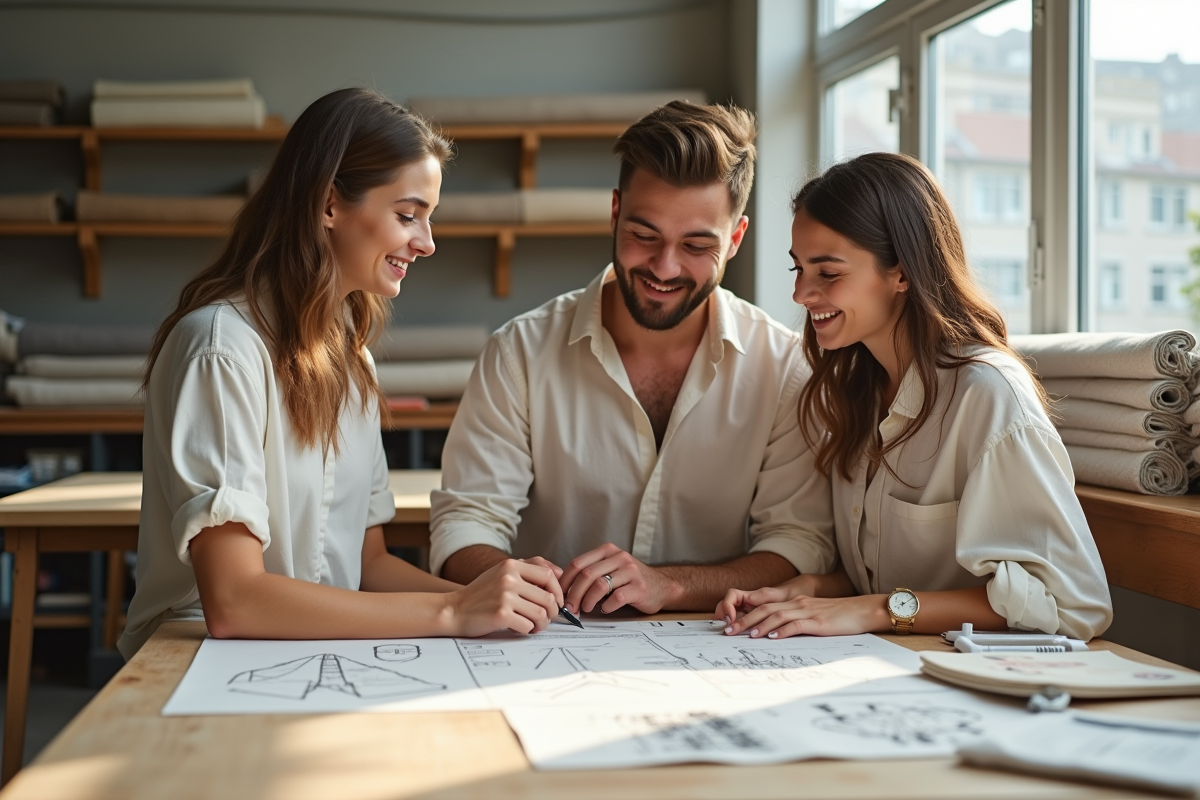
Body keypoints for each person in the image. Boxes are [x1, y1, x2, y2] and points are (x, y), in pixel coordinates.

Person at [118, 89, 564, 658]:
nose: (426, 243)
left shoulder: (353, 365)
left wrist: (495, 597)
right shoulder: (221, 349)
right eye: (408, 215)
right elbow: (233, 601)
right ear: (329, 204)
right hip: (195, 658)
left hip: (317, 648)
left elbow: (368, 565)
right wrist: (453, 609)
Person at [430, 101, 836, 616]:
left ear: (734, 240)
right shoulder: (519, 354)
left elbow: (797, 543)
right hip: (548, 638)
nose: (664, 267)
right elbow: (465, 523)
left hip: (718, 651)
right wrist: (538, 590)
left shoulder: (785, 369)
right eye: (644, 236)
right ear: (615, 211)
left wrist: (672, 586)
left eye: (695, 245)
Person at [717, 152, 1112, 641]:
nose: (801, 294)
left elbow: (1074, 605)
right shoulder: (851, 389)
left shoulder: (988, 396)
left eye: (828, 273)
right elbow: (876, 576)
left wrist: (878, 611)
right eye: (798, 269)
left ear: (901, 272)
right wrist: (808, 590)